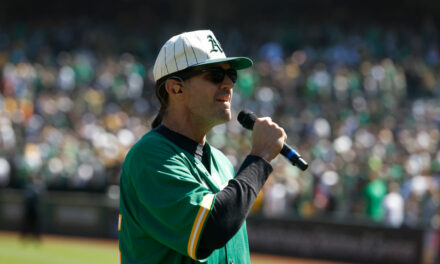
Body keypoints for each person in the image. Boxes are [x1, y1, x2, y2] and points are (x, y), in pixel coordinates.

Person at [118, 30, 287, 264]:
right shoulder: (150, 156)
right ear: (176, 88)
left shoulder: (221, 161)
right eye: (216, 75)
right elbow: (209, 231)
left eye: (232, 75)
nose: (229, 84)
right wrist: (259, 158)